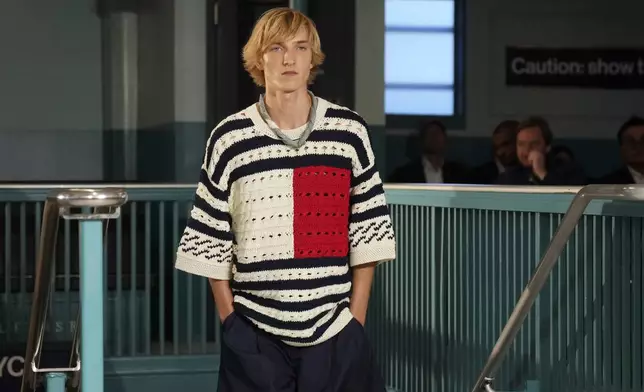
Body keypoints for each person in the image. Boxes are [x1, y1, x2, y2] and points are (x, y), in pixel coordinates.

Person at [174, 7, 396, 392]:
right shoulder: (230, 139)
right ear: (258, 57)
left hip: (335, 331)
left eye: (300, 47)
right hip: (254, 334)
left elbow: (368, 231)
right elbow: (210, 240)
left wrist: (354, 322)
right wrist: (232, 324)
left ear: (313, 58)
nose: (288, 58)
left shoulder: (348, 133)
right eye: (275, 48)